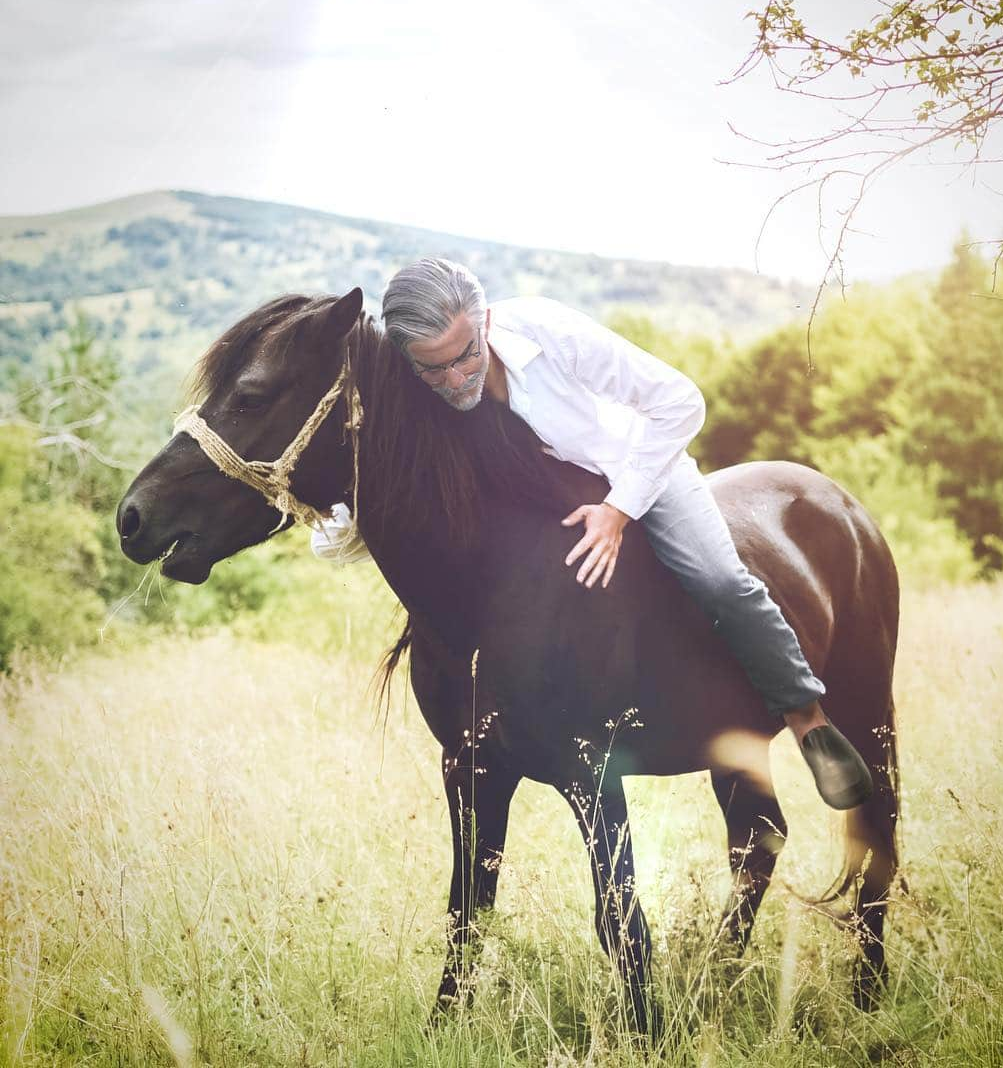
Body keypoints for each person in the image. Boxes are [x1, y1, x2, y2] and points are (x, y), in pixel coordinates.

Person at [313, 258, 872, 810]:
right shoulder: (412, 373)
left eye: (465, 358)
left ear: (484, 324)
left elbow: (681, 403)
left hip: (636, 468)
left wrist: (619, 509)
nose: (456, 380)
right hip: (545, 491)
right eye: (434, 370)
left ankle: (807, 718)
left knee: (720, 580)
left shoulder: (552, 334)